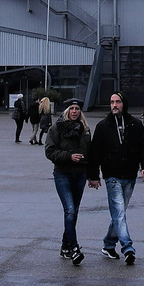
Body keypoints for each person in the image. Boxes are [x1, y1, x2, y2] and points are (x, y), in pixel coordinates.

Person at [88, 92, 144, 265]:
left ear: (124, 104)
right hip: (112, 176)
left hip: (130, 175)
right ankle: (128, 248)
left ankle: (109, 244)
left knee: (119, 214)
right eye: (112, 102)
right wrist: (93, 176)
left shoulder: (135, 125)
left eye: (117, 102)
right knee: (120, 213)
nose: (114, 105)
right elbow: (95, 153)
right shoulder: (103, 126)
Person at [44, 98, 94, 263]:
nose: (74, 111)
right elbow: (50, 152)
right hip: (63, 173)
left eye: (77, 109)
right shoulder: (56, 129)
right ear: (66, 111)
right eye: (71, 108)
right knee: (70, 210)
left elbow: (91, 153)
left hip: (80, 174)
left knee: (73, 212)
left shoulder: (85, 130)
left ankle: (65, 246)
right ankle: (74, 248)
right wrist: (69, 156)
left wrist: (93, 175)